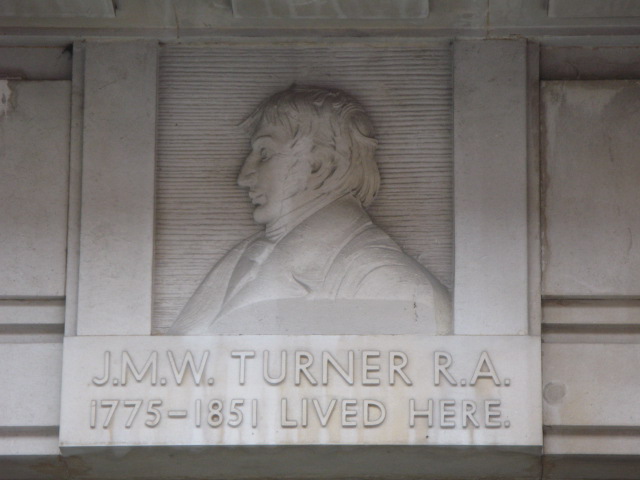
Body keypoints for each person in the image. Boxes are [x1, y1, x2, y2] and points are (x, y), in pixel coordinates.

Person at [169, 85, 451, 335]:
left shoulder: (393, 286)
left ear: (320, 167)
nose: (244, 176)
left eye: (265, 153)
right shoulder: (241, 258)